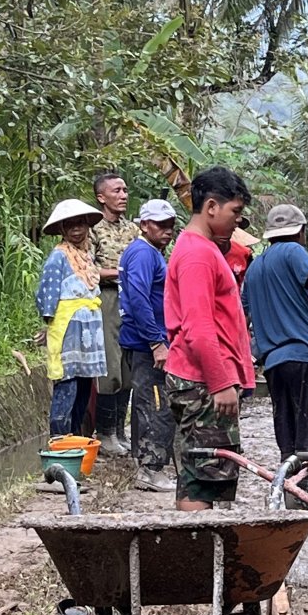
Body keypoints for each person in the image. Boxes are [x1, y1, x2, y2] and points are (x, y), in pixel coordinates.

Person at [164, 167, 254, 511]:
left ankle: (198, 554)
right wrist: (220, 382)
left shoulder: (201, 249)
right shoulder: (198, 255)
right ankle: (197, 554)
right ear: (211, 207)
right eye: (236, 212)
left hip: (202, 379)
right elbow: (199, 327)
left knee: (199, 472)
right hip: (202, 381)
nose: (238, 221)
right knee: (203, 478)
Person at [241, 202, 308, 460]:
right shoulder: (292, 251)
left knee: (287, 440)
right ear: (301, 232)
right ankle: (306, 497)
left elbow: (243, 317)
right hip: (303, 356)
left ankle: (290, 494)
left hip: (273, 363)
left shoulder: (254, 269)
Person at [118, 198, 180, 493]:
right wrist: (156, 341)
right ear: (144, 225)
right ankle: (151, 469)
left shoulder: (150, 252)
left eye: (170, 225)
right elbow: (138, 300)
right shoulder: (143, 254)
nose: (167, 230)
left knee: (147, 401)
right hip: (145, 344)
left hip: (145, 341)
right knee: (155, 404)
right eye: (160, 225)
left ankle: (146, 464)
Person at [37, 198, 108, 439]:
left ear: (87, 225)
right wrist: (48, 325)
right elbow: (47, 291)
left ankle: (77, 437)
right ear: (63, 229)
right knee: (67, 385)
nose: (76, 230)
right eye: (70, 225)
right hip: (69, 329)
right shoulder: (59, 257)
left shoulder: (86, 256)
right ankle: (60, 439)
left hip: (89, 330)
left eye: (80, 224)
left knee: (85, 386)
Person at [89, 170, 139, 456]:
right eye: (116, 191)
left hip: (131, 298)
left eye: (124, 190)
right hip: (106, 298)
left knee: (128, 366)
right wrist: (120, 272)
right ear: (101, 197)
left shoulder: (132, 229)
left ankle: (120, 430)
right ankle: (105, 433)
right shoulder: (93, 229)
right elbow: (86, 268)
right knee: (110, 365)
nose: (123, 195)